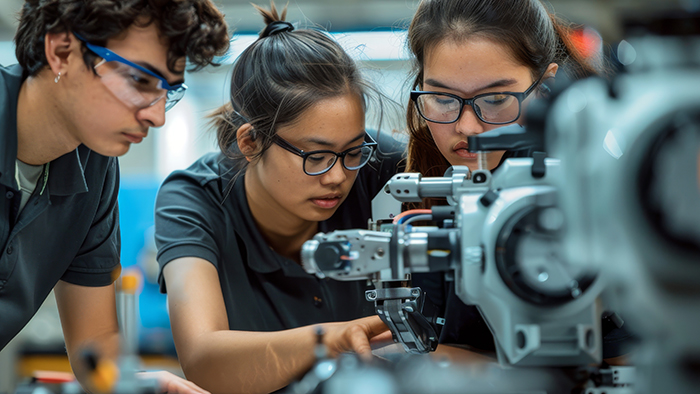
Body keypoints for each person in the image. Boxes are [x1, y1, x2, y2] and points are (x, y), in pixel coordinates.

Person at [154, 2, 404, 393]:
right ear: (251, 142)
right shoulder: (194, 200)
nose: (339, 176)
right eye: (316, 157)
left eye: (353, 152)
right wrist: (330, 341)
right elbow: (203, 358)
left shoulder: (383, 168)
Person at [0, 0, 230, 392]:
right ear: (61, 52)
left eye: (167, 92)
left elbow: (96, 345)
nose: (158, 116)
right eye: (141, 81)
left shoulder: (95, 167)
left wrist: (136, 386)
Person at [403, 0, 633, 362]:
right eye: (442, 98)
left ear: (546, 85)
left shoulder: (586, 187)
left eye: (495, 99)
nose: (467, 126)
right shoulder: (416, 178)